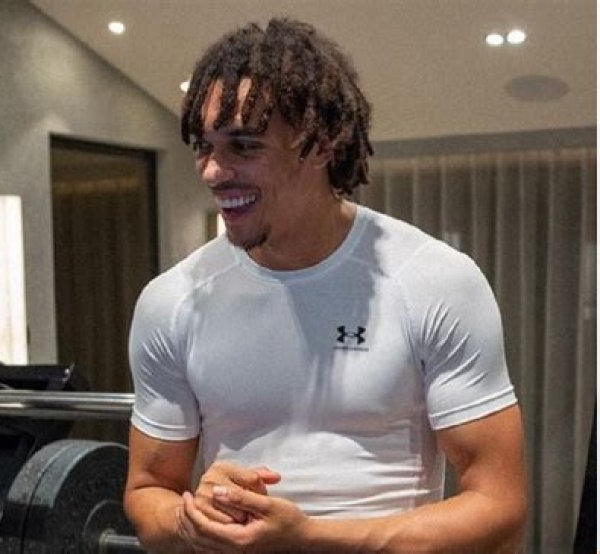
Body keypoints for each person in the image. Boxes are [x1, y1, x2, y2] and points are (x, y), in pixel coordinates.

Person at [124, 17, 527, 553]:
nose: (212, 172)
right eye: (204, 145)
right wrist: (190, 520)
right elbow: (148, 491)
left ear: (320, 144)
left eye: (243, 146)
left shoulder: (434, 281)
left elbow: (500, 508)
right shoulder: (171, 301)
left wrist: (310, 538)